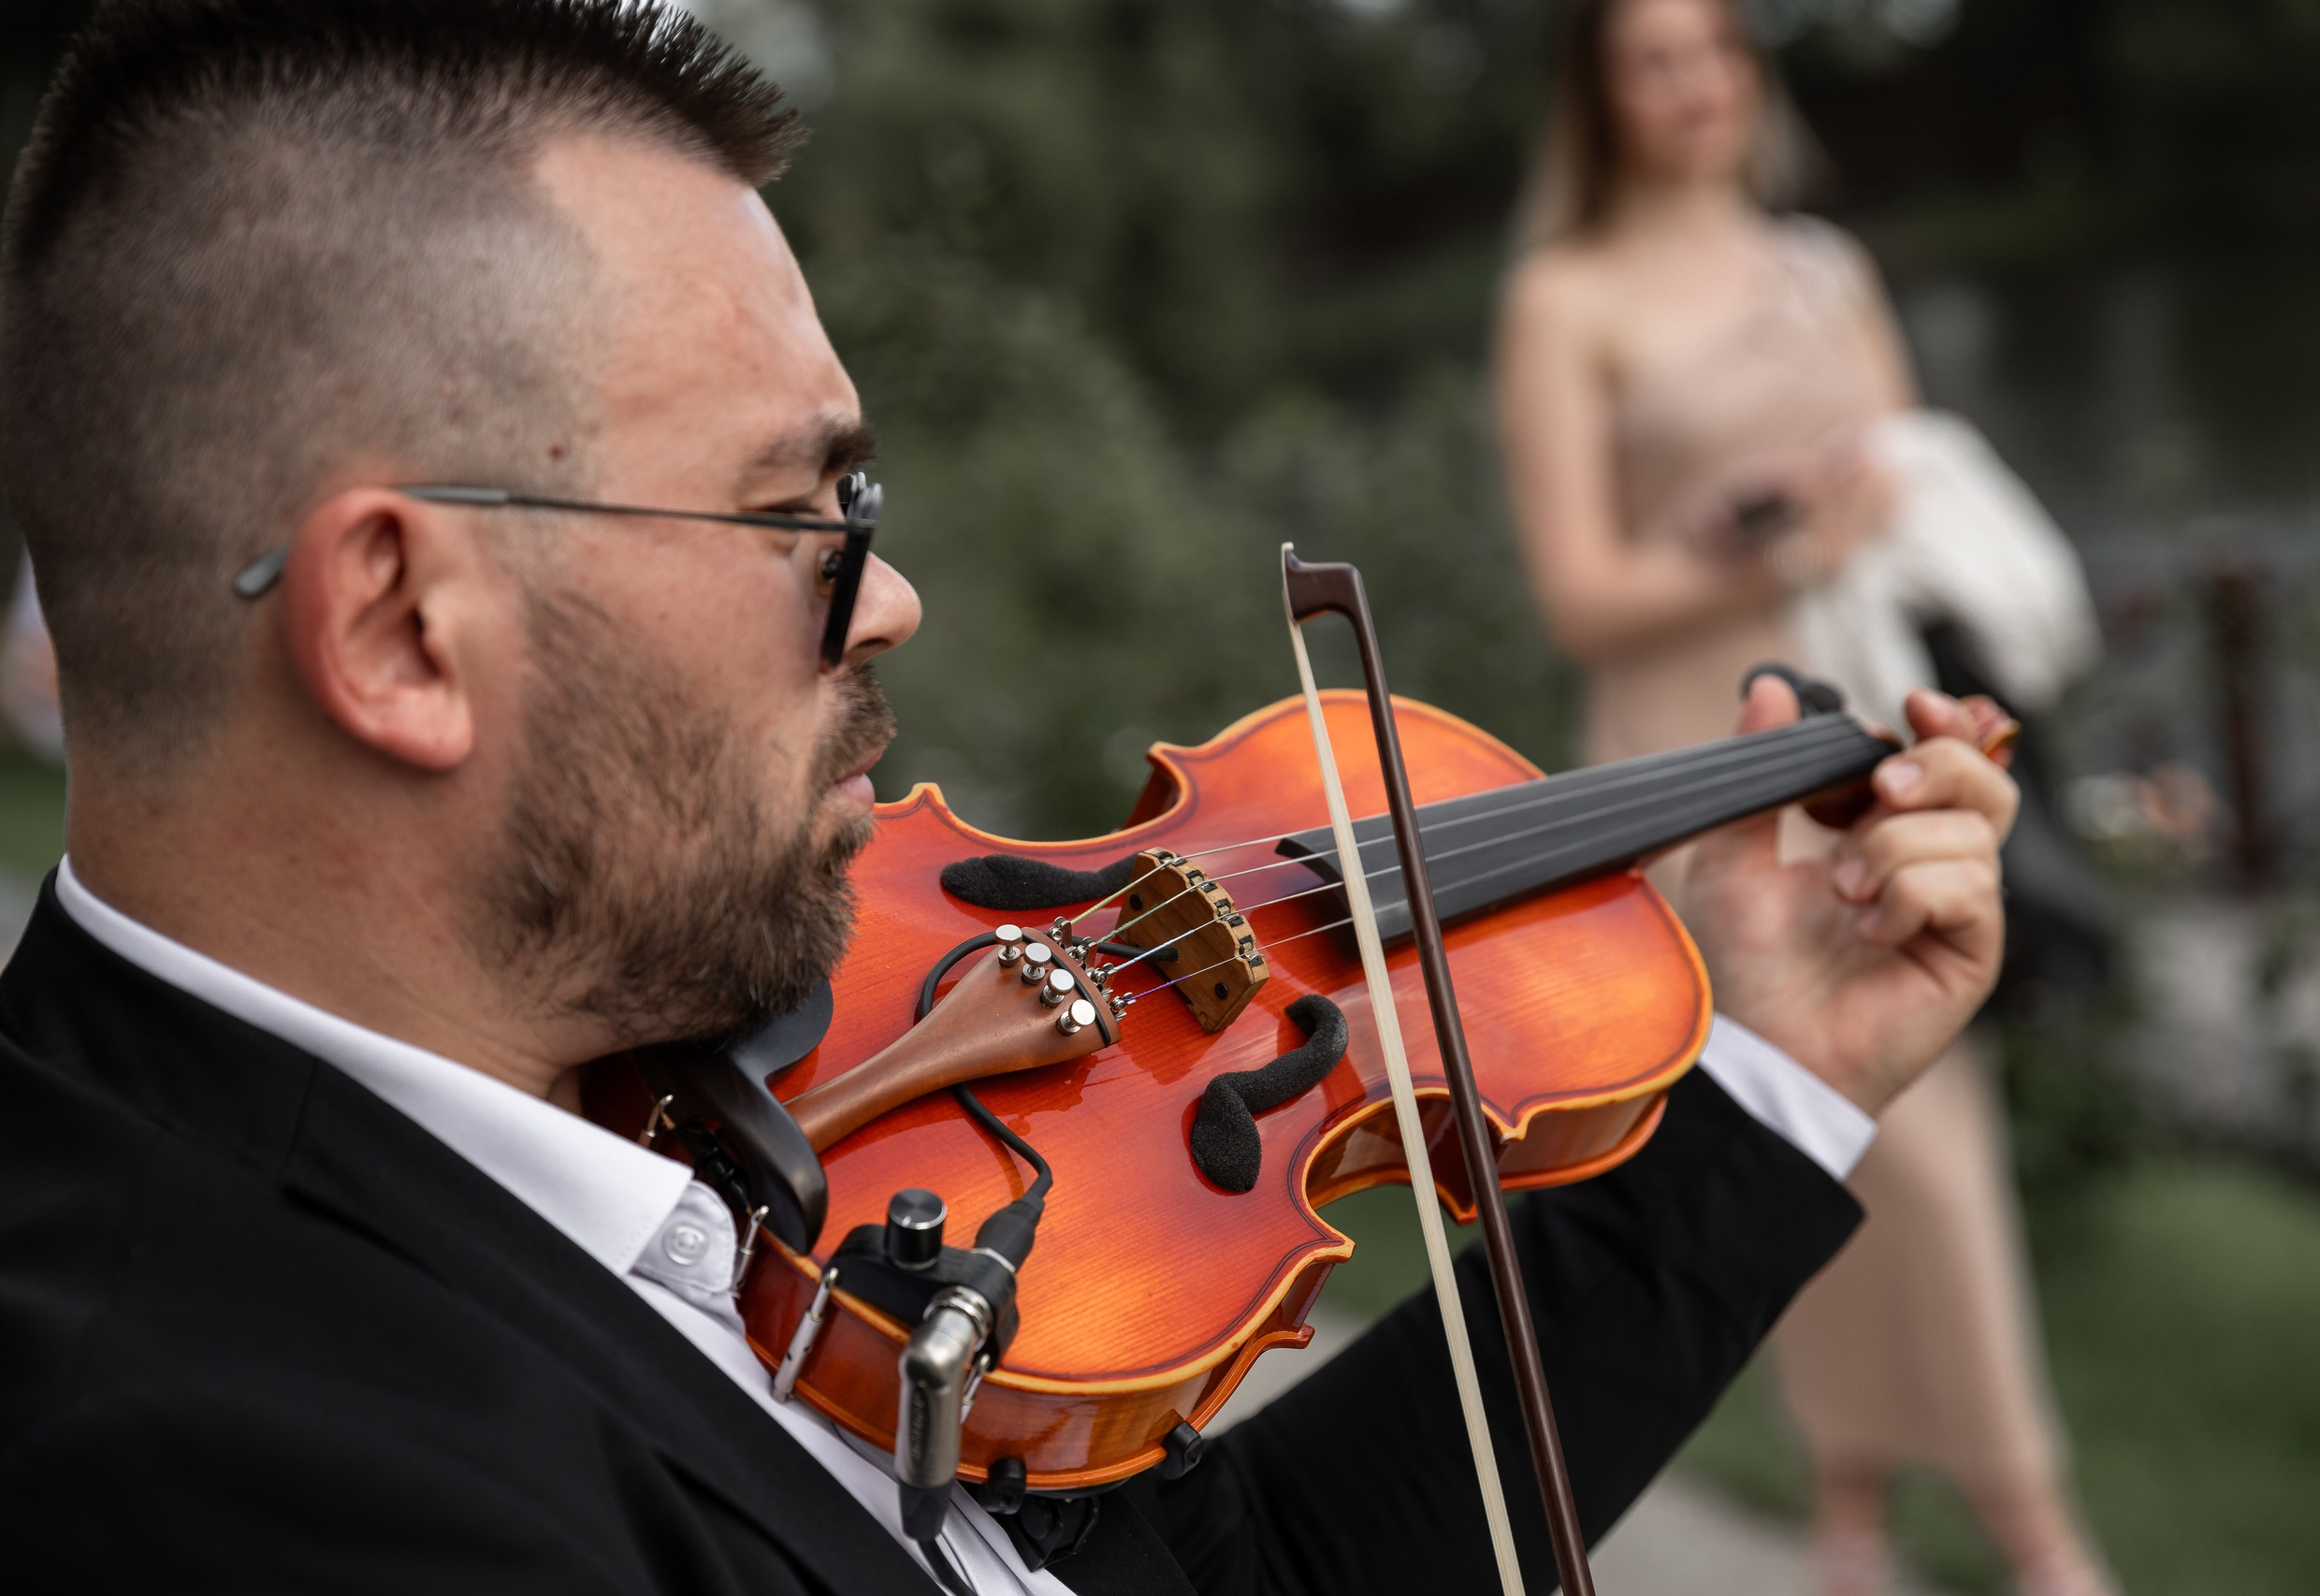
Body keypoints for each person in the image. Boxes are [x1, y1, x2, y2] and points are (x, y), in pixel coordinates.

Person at [0, 4, 2015, 1593]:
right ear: (404, 630)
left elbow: (1228, 1573)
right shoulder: (231, 1485)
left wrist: (1772, 1066)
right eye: (799, 509)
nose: (888, 596)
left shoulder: (609, 1072)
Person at [1494, 3, 2112, 1594]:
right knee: (1772, 1126)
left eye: (1720, 47)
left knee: (1925, 1130)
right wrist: (1760, 541)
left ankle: (2014, 1527)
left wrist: (1867, 537)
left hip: (1839, 723)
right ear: (1602, 91)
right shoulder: (1564, 301)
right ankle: (1865, 1520)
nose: (1698, 81)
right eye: (1656, 56)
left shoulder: (1825, 268)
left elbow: (1909, 491)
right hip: (1679, 751)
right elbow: (1578, 592)